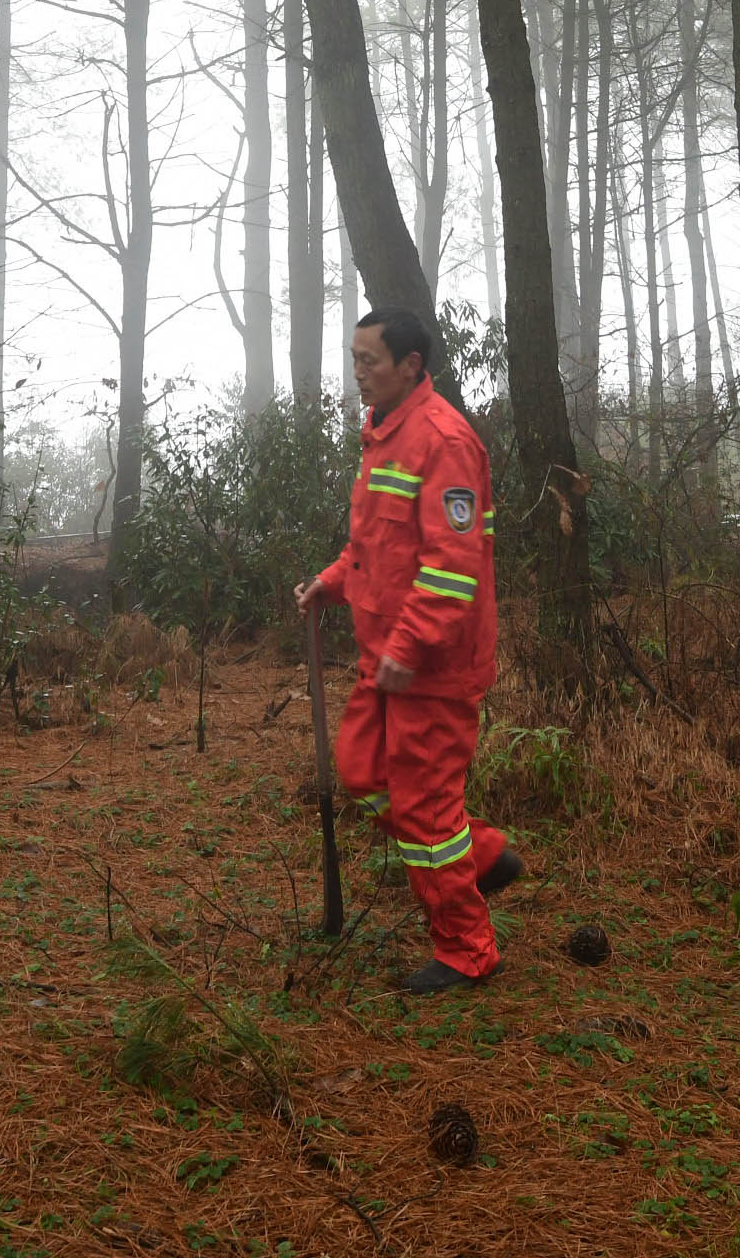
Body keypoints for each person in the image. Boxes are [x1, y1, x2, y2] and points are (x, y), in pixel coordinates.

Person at [291, 306, 522, 992]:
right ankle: (482, 855)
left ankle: (466, 949)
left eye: (371, 362)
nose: (357, 373)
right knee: (361, 773)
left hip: (431, 667)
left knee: (424, 812)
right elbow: (376, 547)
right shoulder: (382, 435)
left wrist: (413, 644)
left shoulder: (444, 441)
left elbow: (453, 566)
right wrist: (330, 584)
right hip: (384, 659)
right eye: (354, 358)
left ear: (411, 367)